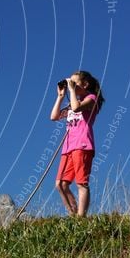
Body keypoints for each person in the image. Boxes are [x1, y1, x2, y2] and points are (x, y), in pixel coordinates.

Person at [50, 70, 104, 218]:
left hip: (82, 145)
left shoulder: (91, 99)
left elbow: (76, 108)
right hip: (68, 147)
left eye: (74, 82)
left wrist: (72, 90)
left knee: (81, 183)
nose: (70, 85)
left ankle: (81, 217)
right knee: (60, 184)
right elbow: (54, 116)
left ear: (85, 84)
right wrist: (61, 97)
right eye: (70, 82)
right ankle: (73, 215)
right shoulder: (72, 102)